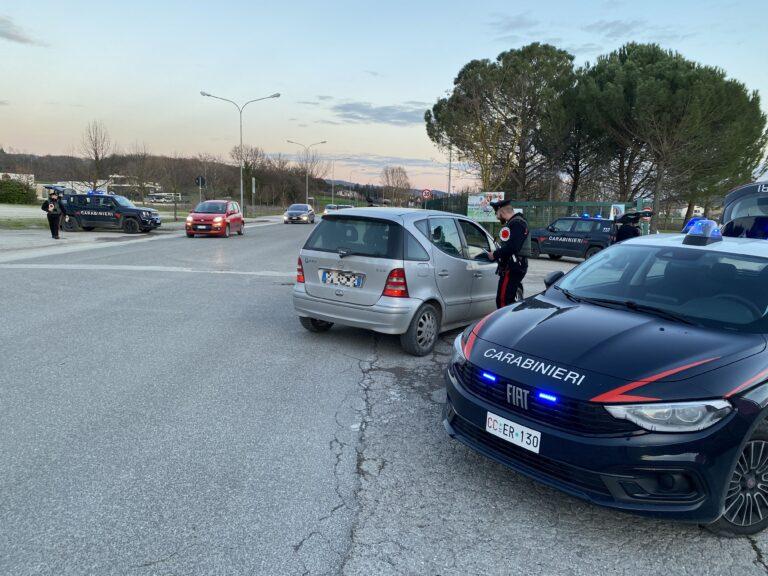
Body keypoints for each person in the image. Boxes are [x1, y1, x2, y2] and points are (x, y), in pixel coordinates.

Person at [485, 199, 530, 308]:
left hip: (513, 267)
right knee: (506, 300)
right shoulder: (516, 222)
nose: (496, 216)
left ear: (501, 210)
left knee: (503, 301)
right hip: (514, 267)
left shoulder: (517, 224)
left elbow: (513, 247)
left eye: (496, 213)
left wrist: (494, 255)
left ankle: (505, 325)